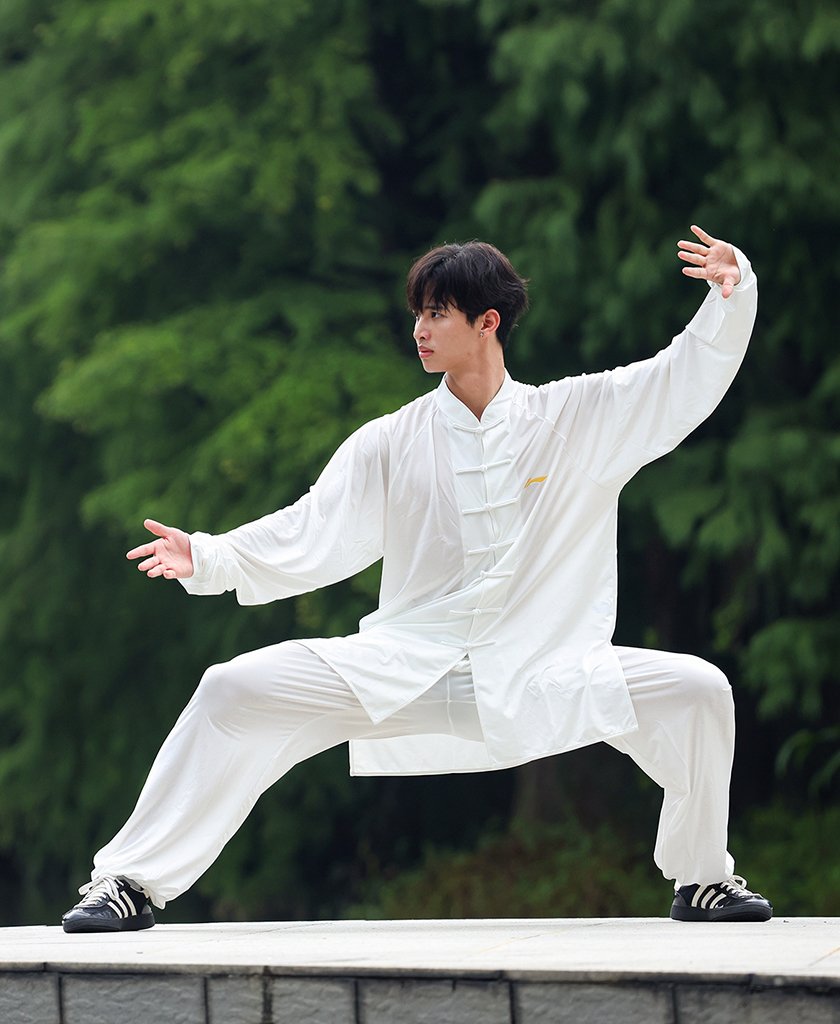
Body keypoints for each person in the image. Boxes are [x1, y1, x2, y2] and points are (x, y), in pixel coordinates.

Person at [62, 225, 772, 933]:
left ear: (487, 322)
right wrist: (211, 557)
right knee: (231, 689)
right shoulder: (391, 440)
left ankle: (703, 879)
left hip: (545, 669)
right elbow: (313, 530)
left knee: (699, 692)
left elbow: (679, 379)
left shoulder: (576, 417)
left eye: (436, 313)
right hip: (406, 667)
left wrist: (731, 289)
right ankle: (127, 883)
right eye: (418, 314)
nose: (419, 331)